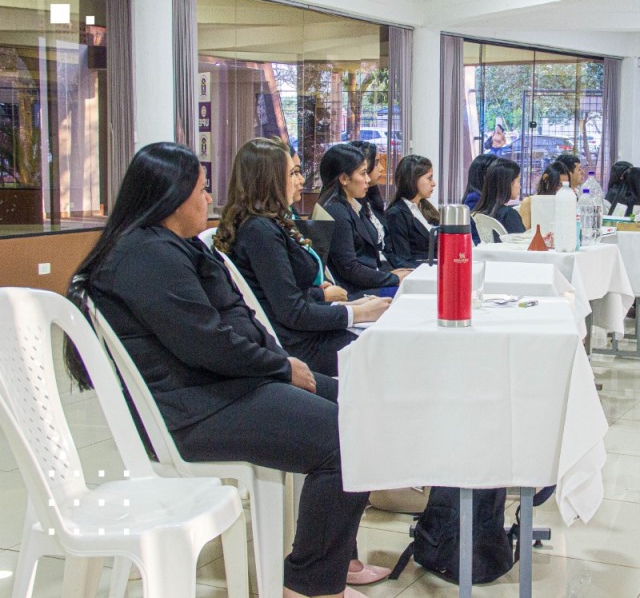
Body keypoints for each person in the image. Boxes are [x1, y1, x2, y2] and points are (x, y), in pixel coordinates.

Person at [65, 142, 372, 598]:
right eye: (202, 190)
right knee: (348, 441)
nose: (209, 199)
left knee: (364, 411)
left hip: (221, 388)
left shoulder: (168, 246)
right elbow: (206, 343)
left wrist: (279, 366)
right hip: (194, 409)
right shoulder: (146, 256)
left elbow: (224, 332)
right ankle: (310, 585)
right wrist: (280, 368)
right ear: (171, 197)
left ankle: (328, 564)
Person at [215, 138, 391, 377]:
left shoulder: (270, 224)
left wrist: (347, 305)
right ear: (269, 180)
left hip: (309, 332)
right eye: (293, 173)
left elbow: (288, 294)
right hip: (303, 345)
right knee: (392, 348)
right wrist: (358, 313)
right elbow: (292, 311)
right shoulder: (260, 231)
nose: (301, 181)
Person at [319, 144, 411, 298]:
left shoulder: (351, 206)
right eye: (362, 174)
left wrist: (387, 274)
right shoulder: (337, 211)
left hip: (365, 283)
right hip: (355, 291)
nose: (368, 179)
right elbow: (350, 268)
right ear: (344, 178)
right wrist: (392, 278)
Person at [385, 154, 439, 267]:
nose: (433, 183)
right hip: (419, 273)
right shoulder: (396, 214)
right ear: (413, 180)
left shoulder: (425, 208)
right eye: (429, 178)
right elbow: (403, 258)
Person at [473, 157, 525, 241]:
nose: (520, 186)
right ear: (509, 183)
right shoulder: (509, 215)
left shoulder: (481, 212)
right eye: (519, 181)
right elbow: (522, 246)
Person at [517, 161, 567, 229]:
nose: (561, 190)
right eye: (558, 185)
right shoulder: (530, 202)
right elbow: (523, 234)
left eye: (565, 186)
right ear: (545, 179)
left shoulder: (566, 203)